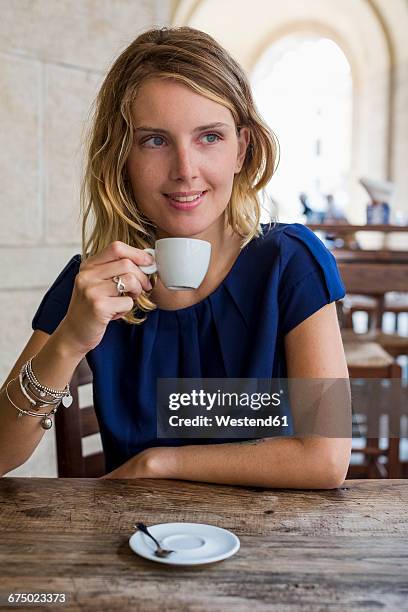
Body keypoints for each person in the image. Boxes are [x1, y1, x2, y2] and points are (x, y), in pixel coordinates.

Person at [0, 27, 351, 487]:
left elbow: (326, 457)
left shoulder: (290, 263)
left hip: (271, 541)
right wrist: (68, 341)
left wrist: (158, 463)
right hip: (138, 544)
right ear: (121, 156)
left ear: (242, 149)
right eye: (155, 140)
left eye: (209, 137)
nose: (185, 170)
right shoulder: (92, 284)